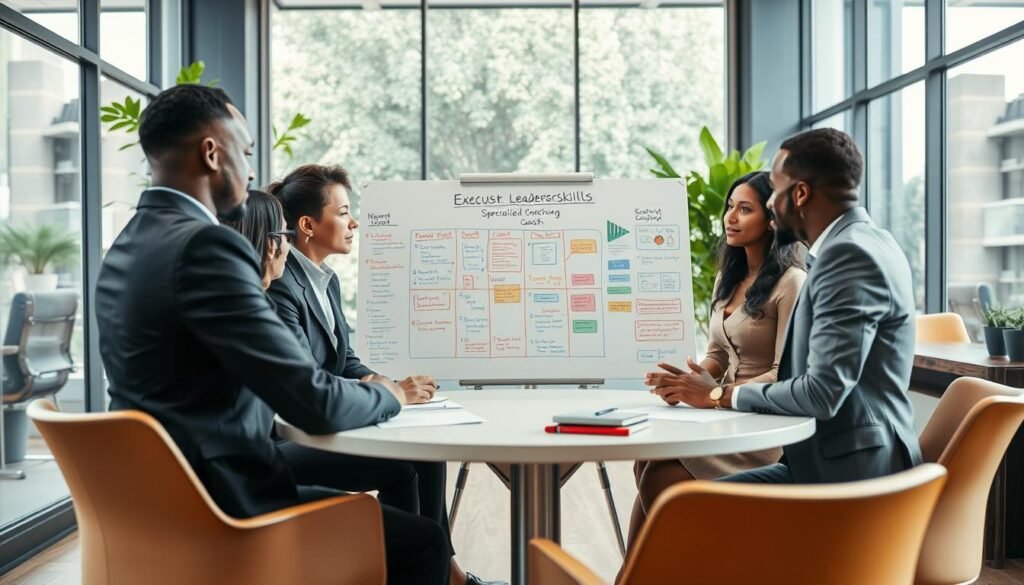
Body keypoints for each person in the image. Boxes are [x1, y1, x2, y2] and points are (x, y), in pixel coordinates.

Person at [95, 84, 451, 585]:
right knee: (424, 542)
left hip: (157, 498)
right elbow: (313, 401)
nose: (253, 169)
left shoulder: (128, 244)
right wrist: (390, 394)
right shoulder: (206, 247)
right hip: (226, 504)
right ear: (212, 153)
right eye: (244, 150)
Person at [266, 164, 502, 585]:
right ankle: (435, 566)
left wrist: (389, 385)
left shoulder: (325, 282)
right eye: (342, 213)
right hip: (291, 441)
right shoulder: (283, 286)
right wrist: (391, 394)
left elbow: (344, 360)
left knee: (421, 455)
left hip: (330, 423)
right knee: (407, 465)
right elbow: (306, 381)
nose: (354, 222)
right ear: (307, 225)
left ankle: (440, 572)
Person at [645, 128, 922, 484]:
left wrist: (717, 394)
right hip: (832, 456)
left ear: (801, 193)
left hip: (851, 474)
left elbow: (822, 393)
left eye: (774, 190)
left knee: (679, 501)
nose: (771, 205)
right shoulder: (867, 241)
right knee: (664, 480)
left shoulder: (847, 255)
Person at [629, 172, 805, 547]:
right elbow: (716, 354)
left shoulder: (792, 282)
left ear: (773, 219)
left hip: (761, 425)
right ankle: (634, 575)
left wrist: (714, 393)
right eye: (729, 207)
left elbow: (784, 373)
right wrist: (683, 381)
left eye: (745, 209)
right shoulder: (729, 276)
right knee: (645, 462)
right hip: (723, 413)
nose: (730, 217)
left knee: (659, 476)